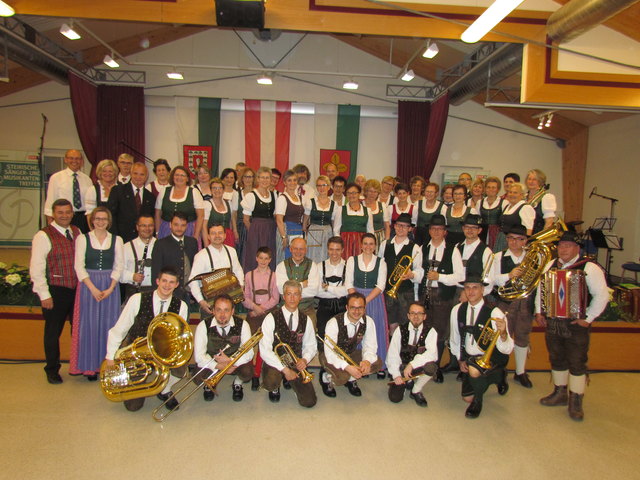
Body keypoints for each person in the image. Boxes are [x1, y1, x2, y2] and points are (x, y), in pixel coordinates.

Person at [534, 231, 608, 421]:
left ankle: (576, 399)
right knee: (556, 357)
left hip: (576, 323)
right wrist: (539, 311)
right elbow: (541, 289)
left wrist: (588, 318)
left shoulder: (589, 267)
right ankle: (560, 393)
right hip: (554, 320)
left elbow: (602, 295)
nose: (563, 249)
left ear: (577, 248)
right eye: (560, 246)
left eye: (567, 246)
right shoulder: (551, 265)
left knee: (577, 361)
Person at [104, 266, 190, 412]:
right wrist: (110, 357)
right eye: (164, 281)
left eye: (171, 282)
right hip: (137, 352)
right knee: (133, 406)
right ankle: (136, 382)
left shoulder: (181, 306)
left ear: (176, 285)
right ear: (157, 281)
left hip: (162, 352)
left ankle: (164, 389)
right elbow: (119, 329)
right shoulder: (137, 299)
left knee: (181, 367)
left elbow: (177, 336)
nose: (167, 285)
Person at [30, 199, 81, 384]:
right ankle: (52, 369)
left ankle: (77, 366)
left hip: (76, 290)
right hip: (56, 290)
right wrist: (44, 294)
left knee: (77, 330)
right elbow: (36, 268)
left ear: (72, 213)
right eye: (60, 212)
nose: (64, 215)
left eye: (68, 212)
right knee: (53, 332)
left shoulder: (76, 232)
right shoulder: (43, 236)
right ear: (53, 214)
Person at [69, 206, 124, 379]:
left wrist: (110, 287)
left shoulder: (117, 240)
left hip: (109, 285)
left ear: (109, 222)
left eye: (104, 219)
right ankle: (89, 366)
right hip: (88, 285)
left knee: (109, 325)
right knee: (89, 325)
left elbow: (119, 265)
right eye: (97, 219)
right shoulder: (83, 239)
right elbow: (79, 265)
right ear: (92, 220)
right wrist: (92, 288)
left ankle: (106, 365)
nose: (100, 222)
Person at [449, 275, 513, 419]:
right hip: (470, 358)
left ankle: (478, 402)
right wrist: (460, 359)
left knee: (474, 372)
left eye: (475, 287)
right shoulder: (457, 310)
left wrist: (503, 334)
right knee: (466, 397)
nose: (470, 292)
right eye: (467, 288)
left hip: (493, 357)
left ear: (482, 290)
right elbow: (455, 337)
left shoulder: (495, 312)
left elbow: (507, 349)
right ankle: (499, 377)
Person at [416, 214, 464, 382]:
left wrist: (440, 278)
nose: (436, 231)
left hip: (443, 295)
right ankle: (424, 364)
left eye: (440, 229)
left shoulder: (453, 250)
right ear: (429, 231)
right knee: (424, 330)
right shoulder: (423, 248)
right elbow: (420, 273)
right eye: (433, 229)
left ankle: (435, 366)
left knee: (441, 331)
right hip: (425, 294)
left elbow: (460, 276)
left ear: (445, 232)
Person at [258, 280, 318, 407]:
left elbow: (311, 345)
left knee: (309, 401)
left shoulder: (305, 319)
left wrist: (305, 359)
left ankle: (289, 381)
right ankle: (277, 383)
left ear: (300, 297)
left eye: (296, 294)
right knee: (270, 382)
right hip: (276, 361)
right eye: (289, 294)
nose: (292, 298)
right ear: (283, 296)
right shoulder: (271, 317)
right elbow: (264, 350)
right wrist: (285, 370)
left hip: (295, 361)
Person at [493, 225, 534, 388]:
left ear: (525, 241)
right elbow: (492, 279)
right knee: (503, 334)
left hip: (525, 302)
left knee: (523, 336)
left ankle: (520, 372)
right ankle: (501, 371)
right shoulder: (498, 257)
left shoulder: (532, 258)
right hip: (505, 302)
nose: (514, 242)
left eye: (519, 239)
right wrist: (509, 275)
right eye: (510, 238)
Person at [319, 292, 382, 398]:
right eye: (353, 308)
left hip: (349, 353)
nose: (357, 311)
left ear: (365, 308)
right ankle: (326, 376)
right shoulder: (333, 323)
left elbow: (370, 346)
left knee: (376, 363)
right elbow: (330, 353)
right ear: (347, 307)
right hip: (328, 355)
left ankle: (352, 379)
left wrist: (366, 361)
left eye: (360, 308)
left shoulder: (369, 321)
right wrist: (347, 367)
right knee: (341, 377)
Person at [193, 294, 254, 402]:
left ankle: (237, 383)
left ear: (232, 311)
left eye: (226, 310)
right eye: (218, 310)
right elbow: (199, 356)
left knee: (248, 372)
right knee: (198, 377)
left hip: (234, 361)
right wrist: (218, 365)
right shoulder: (203, 325)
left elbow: (249, 353)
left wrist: (231, 361)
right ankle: (210, 383)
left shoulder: (243, 324)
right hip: (213, 361)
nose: (222, 314)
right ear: (213, 311)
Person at [345, 233, 388, 380]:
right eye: (365, 243)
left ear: (375, 246)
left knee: (375, 331)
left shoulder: (381, 262)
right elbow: (349, 283)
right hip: (355, 298)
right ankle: (359, 364)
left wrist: (365, 301)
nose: (368, 246)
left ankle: (378, 364)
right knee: (357, 331)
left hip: (373, 299)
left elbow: (381, 285)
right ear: (361, 245)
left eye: (371, 244)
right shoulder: (352, 260)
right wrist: (356, 301)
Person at [386, 302, 438, 407]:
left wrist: (412, 365)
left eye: (419, 313)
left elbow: (432, 354)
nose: (416, 316)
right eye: (413, 313)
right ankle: (407, 382)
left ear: (424, 316)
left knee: (431, 367)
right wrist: (396, 375)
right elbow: (392, 355)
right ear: (408, 316)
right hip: (402, 366)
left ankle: (416, 390)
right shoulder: (400, 330)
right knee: (395, 398)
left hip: (417, 366)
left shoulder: (431, 331)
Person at [242, 247, 280, 390]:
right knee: (250, 341)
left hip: (269, 313)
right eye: (261, 258)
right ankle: (250, 371)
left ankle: (259, 373)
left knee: (266, 342)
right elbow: (245, 298)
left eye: (266, 258)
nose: (263, 261)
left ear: (270, 260)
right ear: (256, 258)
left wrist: (261, 309)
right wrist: (254, 308)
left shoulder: (274, 276)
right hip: (253, 312)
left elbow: (275, 298)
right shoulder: (248, 275)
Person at [378, 213, 422, 334]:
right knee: (390, 324)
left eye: (405, 226)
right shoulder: (385, 244)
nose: (401, 228)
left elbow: (420, 271)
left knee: (405, 324)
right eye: (398, 225)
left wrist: (412, 275)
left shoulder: (415, 248)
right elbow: (380, 266)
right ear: (394, 226)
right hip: (388, 290)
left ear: (410, 229)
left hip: (405, 292)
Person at [189, 223, 244, 319]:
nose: (217, 236)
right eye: (213, 233)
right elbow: (193, 281)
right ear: (208, 236)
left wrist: (241, 286)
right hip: (210, 304)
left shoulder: (232, 251)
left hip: (230, 302)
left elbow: (238, 270)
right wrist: (201, 301)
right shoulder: (201, 256)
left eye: (220, 233)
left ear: (225, 235)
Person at [151, 212, 199, 304]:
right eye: (176, 225)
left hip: (188, 293)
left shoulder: (192, 242)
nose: (179, 228)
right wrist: (157, 295)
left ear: (187, 226)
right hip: (168, 292)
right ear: (170, 225)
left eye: (183, 225)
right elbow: (156, 272)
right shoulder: (160, 244)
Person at [44, 149, 93, 232]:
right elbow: (50, 201)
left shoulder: (87, 179)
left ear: (81, 161)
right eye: (71, 158)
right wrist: (50, 222)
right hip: (64, 217)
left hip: (83, 219)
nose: (74, 161)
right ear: (65, 160)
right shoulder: (56, 177)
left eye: (77, 158)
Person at [108, 161, 155, 244]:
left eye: (142, 174)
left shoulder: (150, 197)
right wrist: (115, 238)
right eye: (135, 173)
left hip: (143, 241)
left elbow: (151, 220)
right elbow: (111, 216)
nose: (138, 177)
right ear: (131, 174)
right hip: (121, 239)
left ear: (146, 176)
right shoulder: (118, 191)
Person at [241, 166, 278, 272]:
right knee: (256, 254)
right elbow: (246, 219)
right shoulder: (251, 196)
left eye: (267, 178)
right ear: (257, 179)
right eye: (262, 177)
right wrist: (254, 232)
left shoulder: (273, 195)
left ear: (271, 180)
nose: (265, 180)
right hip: (256, 230)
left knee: (269, 254)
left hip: (270, 229)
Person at [155, 165, 204, 242]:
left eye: (182, 175)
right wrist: (157, 232)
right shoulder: (164, 191)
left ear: (187, 178)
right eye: (176, 175)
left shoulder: (194, 192)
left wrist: (196, 235)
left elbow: (200, 216)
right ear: (172, 177)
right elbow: (158, 214)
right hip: (166, 231)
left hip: (188, 231)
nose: (179, 177)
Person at [315, 237, 348, 351]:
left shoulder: (348, 266)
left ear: (342, 250)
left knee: (342, 336)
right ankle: (324, 364)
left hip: (343, 305)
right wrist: (338, 290)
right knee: (323, 335)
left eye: (337, 250)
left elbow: (347, 290)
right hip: (324, 305)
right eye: (331, 249)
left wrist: (327, 287)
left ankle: (341, 365)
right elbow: (317, 291)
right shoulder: (319, 266)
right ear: (327, 250)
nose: (334, 253)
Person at [275, 237, 319, 323]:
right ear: (290, 249)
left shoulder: (313, 265)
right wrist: (302, 285)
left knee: (310, 332)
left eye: (301, 249)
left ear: (306, 250)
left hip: (306, 309)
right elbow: (281, 289)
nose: (298, 252)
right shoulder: (281, 266)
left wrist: (289, 291)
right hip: (285, 309)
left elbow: (314, 290)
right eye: (295, 248)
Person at [454, 214, 493, 300]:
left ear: (479, 230)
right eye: (467, 227)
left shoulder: (486, 251)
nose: (470, 230)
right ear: (463, 228)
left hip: (476, 295)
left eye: (474, 227)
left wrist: (473, 295)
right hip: (456, 291)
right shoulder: (457, 247)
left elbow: (489, 279)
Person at [121, 214, 156, 301]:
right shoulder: (127, 247)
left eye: (150, 225)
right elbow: (118, 272)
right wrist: (132, 276)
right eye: (143, 225)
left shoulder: (161, 245)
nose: (147, 229)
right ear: (137, 227)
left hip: (156, 293)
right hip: (134, 292)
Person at [333, 182, 373, 259]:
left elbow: (370, 231)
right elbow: (336, 230)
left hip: (361, 243)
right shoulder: (341, 209)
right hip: (346, 242)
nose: (352, 195)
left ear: (359, 194)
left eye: (354, 193)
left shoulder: (367, 211)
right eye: (349, 193)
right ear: (346, 195)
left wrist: (369, 245)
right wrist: (340, 244)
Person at [303, 175, 336, 262]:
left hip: (327, 233)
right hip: (313, 232)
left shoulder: (334, 204)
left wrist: (334, 236)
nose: (321, 188)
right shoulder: (311, 202)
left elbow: (333, 223)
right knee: (312, 256)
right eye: (319, 185)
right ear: (317, 187)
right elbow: (305, 221)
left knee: (325, 255)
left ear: (329, 187)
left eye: (324, 185)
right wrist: (305, 233)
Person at [493, 182, 534, 252]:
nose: (512, 195)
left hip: (515, 242)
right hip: (502, 240)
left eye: (515, 193)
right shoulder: (507, 206)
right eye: (510, 192)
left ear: (521, 195)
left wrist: (523, 246)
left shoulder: (525, 207)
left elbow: (528, 230)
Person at [275, 169, 304, 262]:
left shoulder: (298, 197)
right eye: (289, 180)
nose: (292, 182)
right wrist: (284, 237)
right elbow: (279, 219)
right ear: (284, 182)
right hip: (287, 230)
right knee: (287, 257)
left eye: (294, 180)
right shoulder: (282, 198)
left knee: (297, 257)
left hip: (298, 231)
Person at [203, 177, 237, 248]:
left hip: (227, 236)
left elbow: (231, 222)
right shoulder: (207, 204)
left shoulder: (229, 203)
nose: (217, 190)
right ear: (210, 190)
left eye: (220, 188)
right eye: (214, 188)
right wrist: (206, 244)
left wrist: (234, 233)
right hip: (213, 237)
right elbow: (204, 226)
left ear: (223, 190)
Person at [413, 182, 447, 246]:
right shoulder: (418, 204)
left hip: (434, 236)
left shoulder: (442, 207)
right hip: (419, 236)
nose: (429, 194)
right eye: (427, 191)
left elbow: (444, 225)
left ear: (436, 193)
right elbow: (414, 222)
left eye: (431, 192)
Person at [525, 168, 557, 234]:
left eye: (534, 179)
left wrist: (539, 239)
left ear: (540, 181)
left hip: (537, 236)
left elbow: (549, 222)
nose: (531, 181)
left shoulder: (546, 197)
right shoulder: (523, 197)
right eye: (529, 179)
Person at [235, 166, 256, 261]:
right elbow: (234, 214)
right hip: (240, 228)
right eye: (246, 177)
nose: (248, 179)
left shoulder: (257, 193)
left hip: (254, 226)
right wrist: (235, 231)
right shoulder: (237, 194)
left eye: (250, 177)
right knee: (241, 253)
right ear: (242, 178)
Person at [363, 179, 391, 250]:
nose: (372, 194)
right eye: (370, 191)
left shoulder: (382, 206)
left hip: (379, 237)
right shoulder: (360, 205)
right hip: (364, 237)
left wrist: (386, 241)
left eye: (375, 192)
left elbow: (387, 226)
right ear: (366, 192)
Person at [478, 176, 504, 250]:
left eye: (493, 187)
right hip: (482, 233)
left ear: (498, 189)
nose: (491, 189)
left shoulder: (504, 202)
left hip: (497, 233)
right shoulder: (480, 202)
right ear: (485, 189)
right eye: (488, 187)